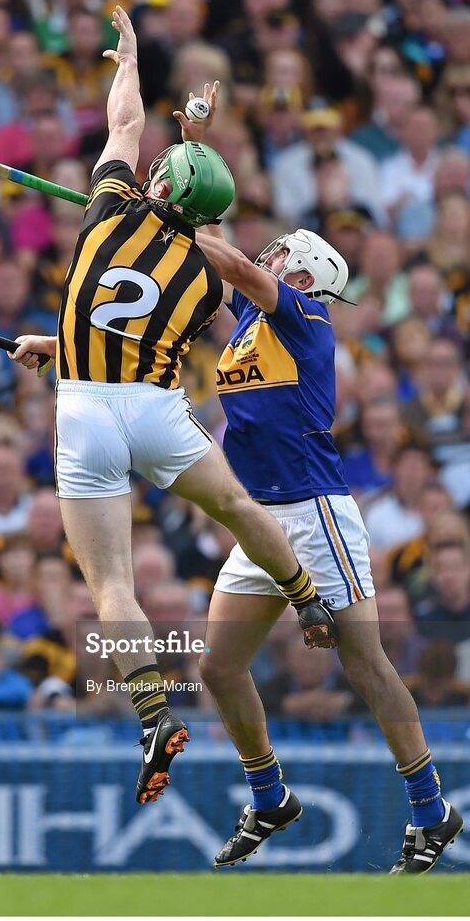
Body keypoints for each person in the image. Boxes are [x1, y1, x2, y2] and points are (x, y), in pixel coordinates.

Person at [11, 6, 336, 806]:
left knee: (113, 586)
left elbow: (124, 117)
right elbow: (169, 274)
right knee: (231, 504)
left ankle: (151, 709)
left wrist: (127, 63)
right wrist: (196, 141)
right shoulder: (210, 276)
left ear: (155, 186)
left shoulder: (107, 209)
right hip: (156, 409)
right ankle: (304, 595)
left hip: (85, 410)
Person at [185, 85, 462, 874]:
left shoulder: (304, 317)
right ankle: (270, 795)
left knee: (364, 662)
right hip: (260, 519)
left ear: (300, 271)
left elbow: (226, 256)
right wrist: (186, 147)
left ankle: (430, 812)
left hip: (314, 513)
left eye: (278, 252)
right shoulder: (246, 324)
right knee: (217, 665)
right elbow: (207, 257)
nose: (265, 255)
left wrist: (170, 206)